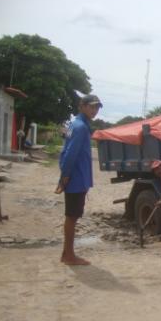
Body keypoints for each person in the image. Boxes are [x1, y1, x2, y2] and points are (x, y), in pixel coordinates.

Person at [56, 94, 103, 265]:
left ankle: (66, 254)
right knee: (72, 217)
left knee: (72, 216)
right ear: (81, 106)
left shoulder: (72, 124)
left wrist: (64, 175)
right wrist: (65, 176)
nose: (95, 110)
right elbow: (70, 154)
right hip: (75, 179)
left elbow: (64, 146)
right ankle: (69, 256)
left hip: (74, 177)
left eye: (97, 107)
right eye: (91, 106)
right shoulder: (81, 127)